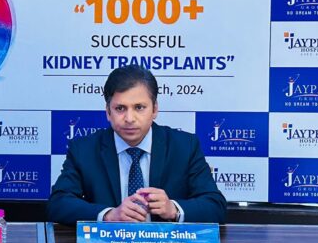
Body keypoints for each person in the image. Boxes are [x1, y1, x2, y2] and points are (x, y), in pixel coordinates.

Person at [47, 65, 226, 225]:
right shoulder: (84, 149)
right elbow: (58, 204)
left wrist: (173, 209)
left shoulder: (185, 147)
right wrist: (109, 215)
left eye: (139, 107)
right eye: (120, 108)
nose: (130, 118)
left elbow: (215, 206)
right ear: (108, 112)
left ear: (154, 109)